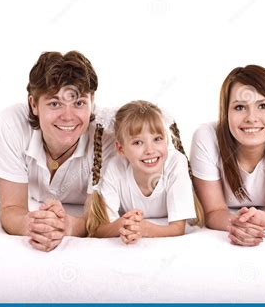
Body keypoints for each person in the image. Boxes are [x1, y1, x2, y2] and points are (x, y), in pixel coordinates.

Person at [0, 51, 115, 251]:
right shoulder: (11, 124)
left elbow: (99, 218)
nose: (68, 116)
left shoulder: (107, 135)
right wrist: (34, 225)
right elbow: (11, 208)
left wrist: (68, 226)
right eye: (55, 103)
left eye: (79, 103)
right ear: (34, 104)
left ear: (92, 102)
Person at [190, 65, 265, 246]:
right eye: (240, 107)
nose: (251, 117)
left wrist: (259, 219)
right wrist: (236, 225)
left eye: (263, 106)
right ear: (225, 112)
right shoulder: (206, 137)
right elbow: (213, 212)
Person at [86, 100, 203, 242]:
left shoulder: (176, 163)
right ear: (120, 149)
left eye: (157, 139)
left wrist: (145, 229)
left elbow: (178, 228)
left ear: (166, 140)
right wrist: (123, 225)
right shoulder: (115, 168)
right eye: (137, 142)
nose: (150, 150)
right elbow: (100, 229)